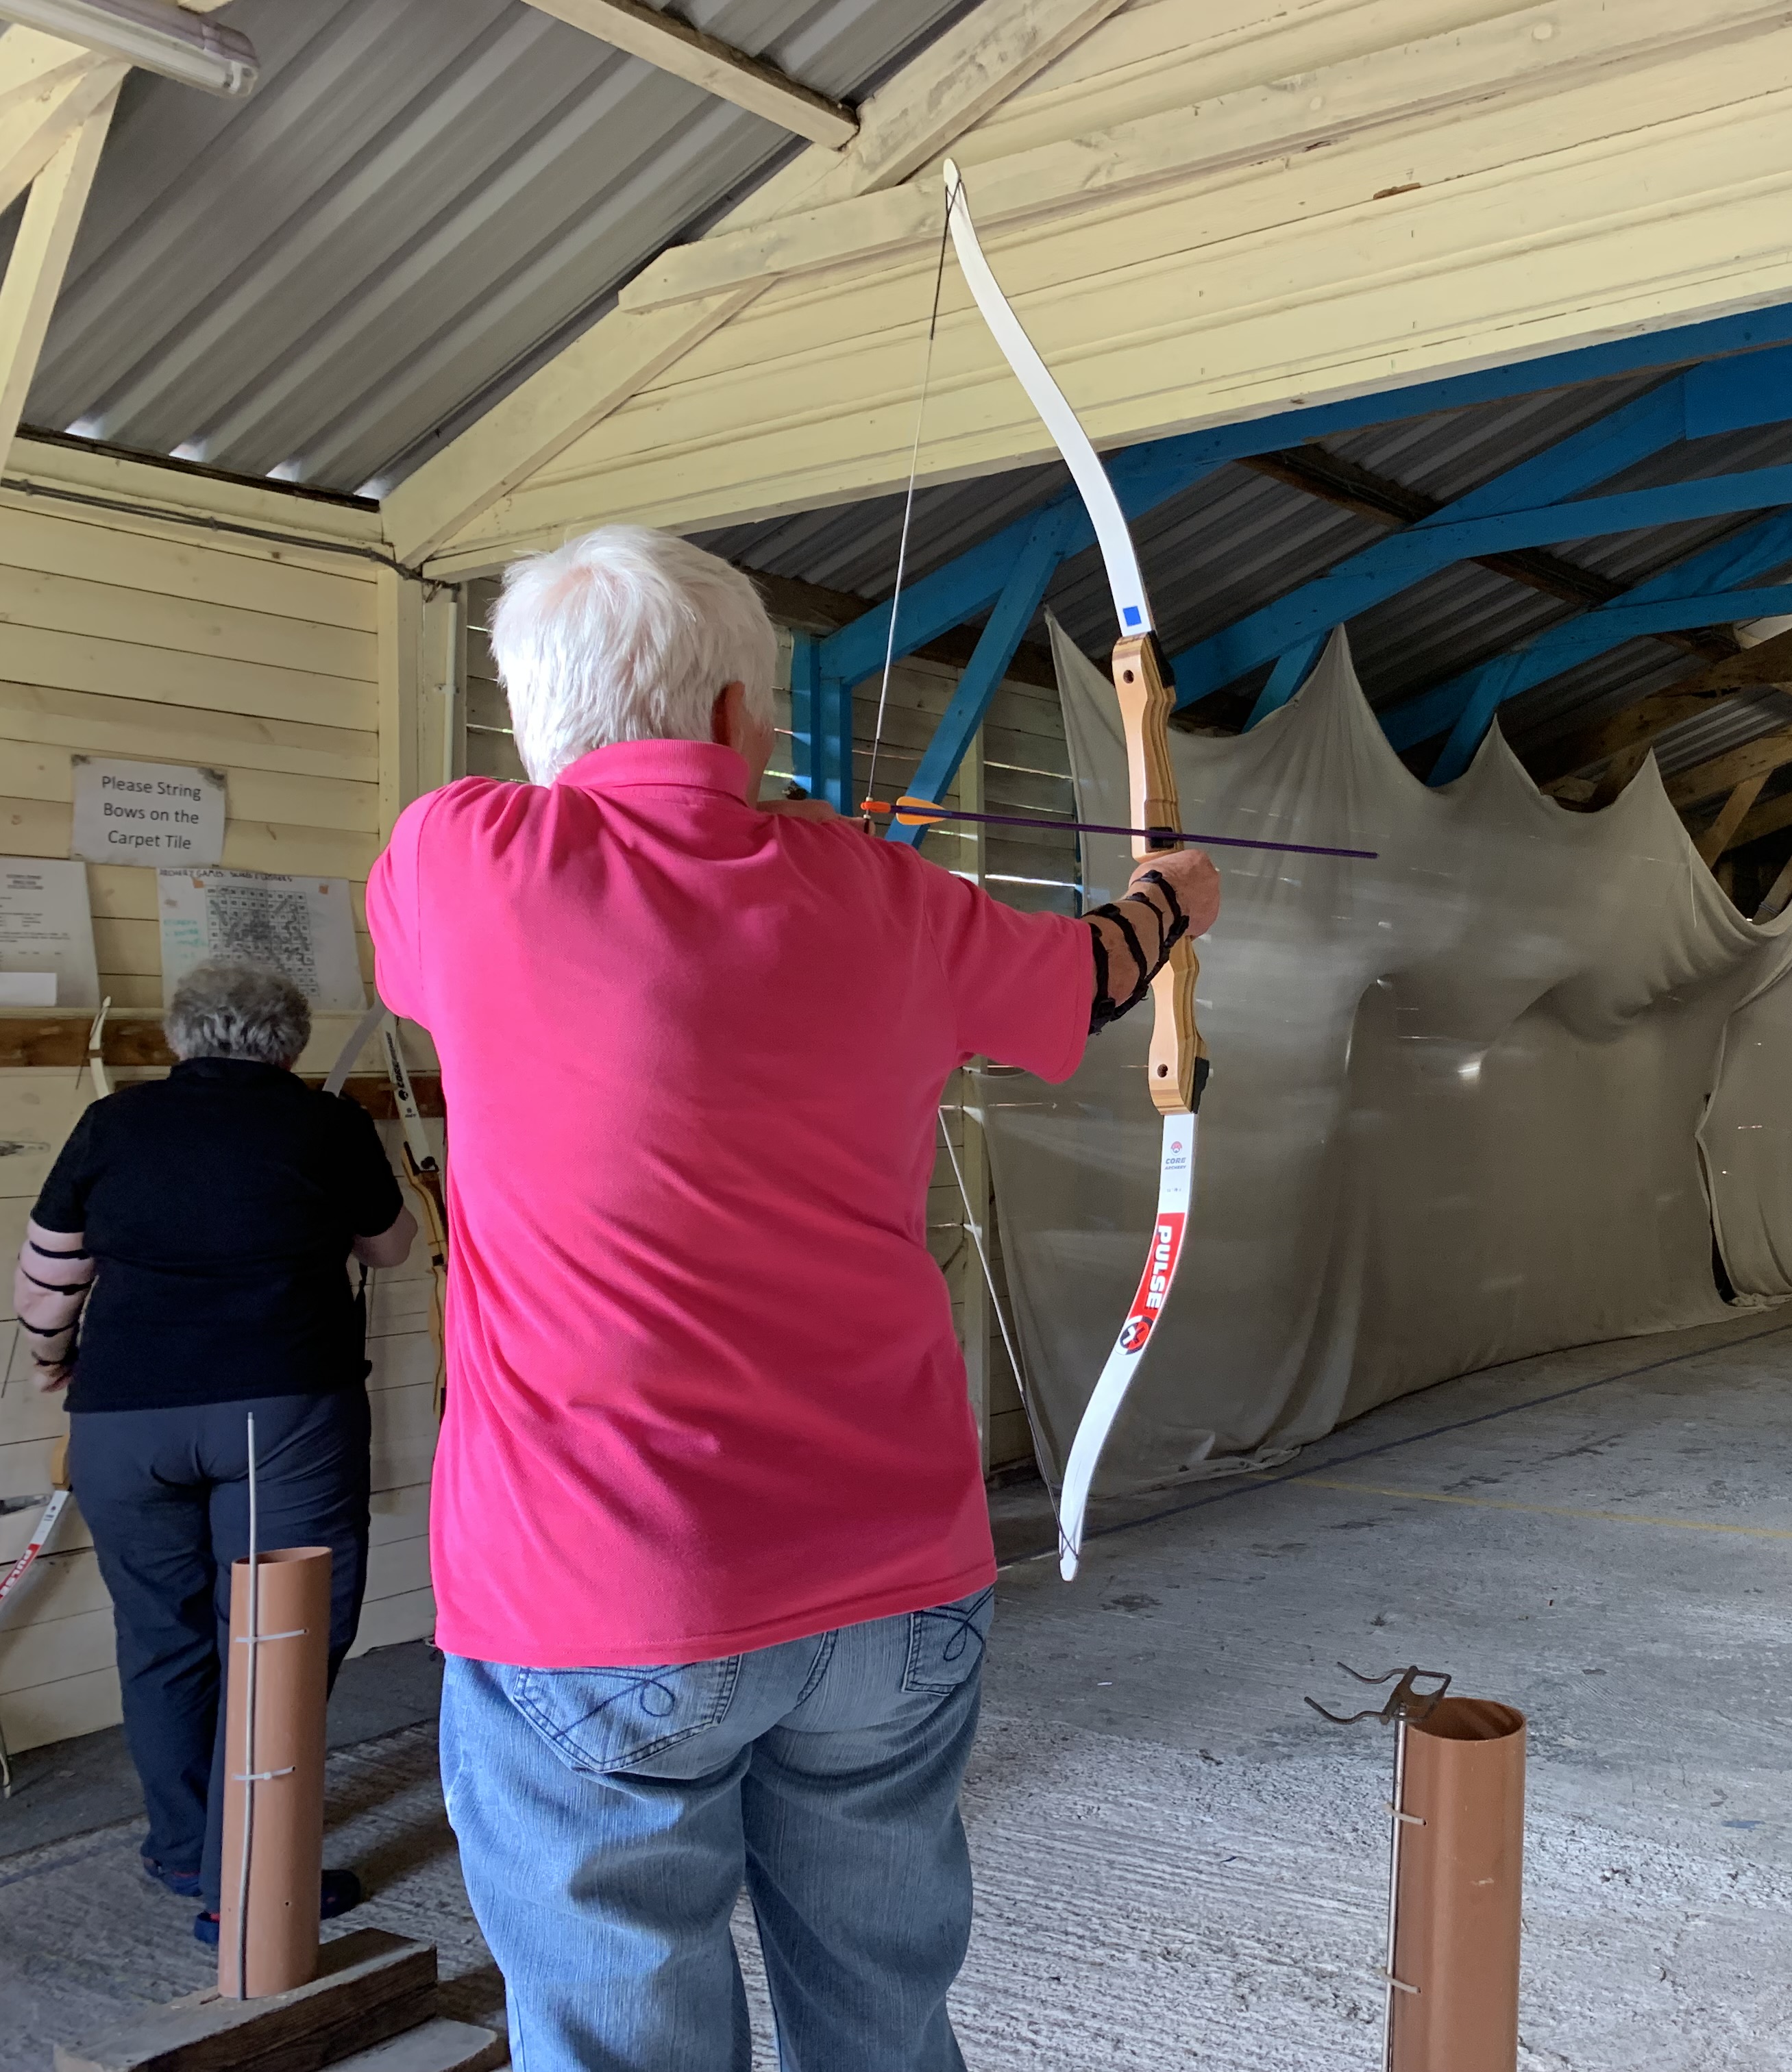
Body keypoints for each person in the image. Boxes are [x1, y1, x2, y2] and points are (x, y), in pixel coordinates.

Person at [365, 524, 1218, 2072]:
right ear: (730, 717)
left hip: (606, 1596)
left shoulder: (463, 856)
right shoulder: (887, 893)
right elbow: (1094, 975)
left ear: (540, 719)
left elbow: (458, 959)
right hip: (896, 1591)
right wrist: (1172, 897)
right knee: (883, 2027)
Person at [17, 958, 417, 1938]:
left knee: (161, 1632)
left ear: (182, 1037)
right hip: (281, 1415)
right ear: (290, 1044)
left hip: (122, 1418)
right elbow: (390, 1246)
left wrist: (51, 1364)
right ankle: (247, 1887)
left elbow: (48, 1276)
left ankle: (186, 1846)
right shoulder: (325, 1125)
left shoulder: (113, 1124)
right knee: (281, 1633)